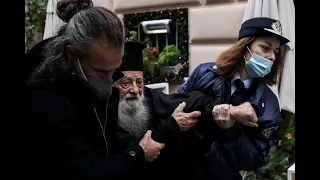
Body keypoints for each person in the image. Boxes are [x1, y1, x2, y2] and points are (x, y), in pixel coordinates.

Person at [24, 0, 165, 179]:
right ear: (71, 54)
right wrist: (137, 154)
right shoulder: (44, 97)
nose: (108, 81)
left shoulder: (87, 73)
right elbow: (83, 171)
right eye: (100, 72)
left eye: (114, 70)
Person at [177, 17, 290, 180]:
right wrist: (231, 111)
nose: (272, 56)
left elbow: (255, 159)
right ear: (245, 47)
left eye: (276, 51)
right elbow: (177, 107)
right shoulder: (204, 73)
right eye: (266, 48)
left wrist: (231, 131)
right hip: (183, 171)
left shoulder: (269, 103)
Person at [113, 41, 222, 180]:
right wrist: (171, 125)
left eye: (139, 82)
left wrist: (221, 110)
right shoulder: (102, 111)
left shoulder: (149, 96)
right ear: (112, 83)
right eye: (126, 83)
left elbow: (195, 100)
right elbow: (128, 151)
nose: (135, 90)